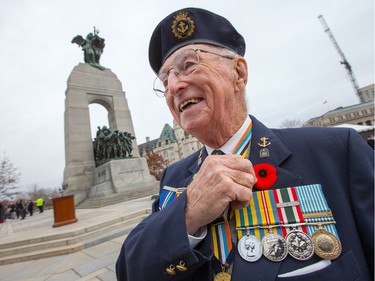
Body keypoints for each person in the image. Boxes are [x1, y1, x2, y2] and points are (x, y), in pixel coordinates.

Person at [116, 7, 374, 281]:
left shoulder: (336, 152)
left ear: (238, 73)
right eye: (165, 80)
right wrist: (187, 213)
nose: (174, 86)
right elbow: (131, 271)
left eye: (188, 64)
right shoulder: (174, 177)